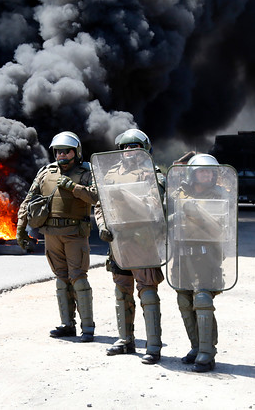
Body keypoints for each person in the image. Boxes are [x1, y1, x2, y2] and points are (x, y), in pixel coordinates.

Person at [16, 131, 98, 342]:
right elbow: (29, 200)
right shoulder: (45, 173)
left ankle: (87, 328)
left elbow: (97, 197)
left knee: (78, 279)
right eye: (58, 152)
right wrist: (21, 228)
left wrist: (75, 188)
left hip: (74, 234)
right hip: (51, 235)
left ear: (76, 152)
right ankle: (67, 325)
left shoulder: (87, 171)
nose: (62, 156)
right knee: (61, 280)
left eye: (66, 152)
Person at [94, 129, 166, 364]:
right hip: (118, 240)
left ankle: (153, 346)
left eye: (134, 146)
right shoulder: (111, 174)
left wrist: (128, 198)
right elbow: (100, 204)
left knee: (147, 292)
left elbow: (156, 205)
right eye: (124, 147)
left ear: (145, 149)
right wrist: (103, 225)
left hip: (142, 238)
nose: (128, 151)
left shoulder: (152, 175)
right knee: (121, 292)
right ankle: (126, 339)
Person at [172, 153, 226, 373]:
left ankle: (207, 352)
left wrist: (198, 213)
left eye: (210, 171)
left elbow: (222, 229)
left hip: (206, 256)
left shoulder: (220, 196)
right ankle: (195, 347)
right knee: (184, 301)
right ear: (192, 174)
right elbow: (167, 216)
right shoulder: (179, 193)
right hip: (181, 255)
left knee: (202, 301)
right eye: (202, 171)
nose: (207, 175)